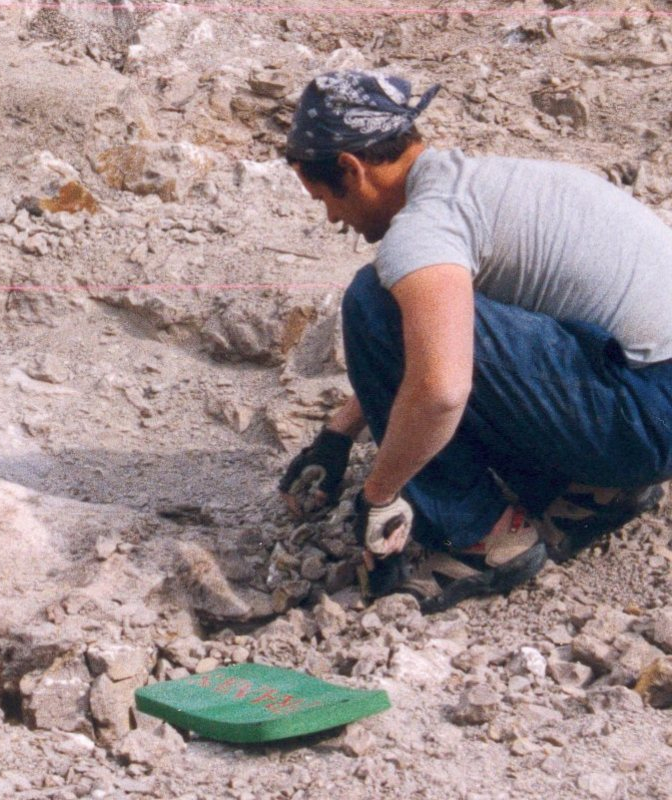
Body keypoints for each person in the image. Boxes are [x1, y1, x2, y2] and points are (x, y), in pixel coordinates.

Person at [276, 70, 672, 611]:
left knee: (373, 300)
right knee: (410, 314)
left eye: (324, 197)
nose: (331, 217)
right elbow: (455, 328)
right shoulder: (483, 184)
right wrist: (341, 432)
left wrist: (380, 494)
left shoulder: (427, 229)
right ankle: (594, 489)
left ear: (352, 169)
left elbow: (439, 389)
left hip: (646, 416)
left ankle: (485, 537)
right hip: (651, 392)